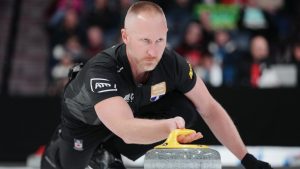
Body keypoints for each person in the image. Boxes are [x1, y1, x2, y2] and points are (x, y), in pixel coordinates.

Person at [41, 1, 273, 169]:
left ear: (166, 34)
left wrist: (246, 159)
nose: (153, 51)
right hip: (85, 125)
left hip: (128, 116)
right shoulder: (102, 70)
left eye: (159, 40)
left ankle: (111, 149)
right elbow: (125, 128)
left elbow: (210, 107)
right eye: (144, 41)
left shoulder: (171, 62)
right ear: (125, 36)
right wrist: (170, 128)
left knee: (186, 108)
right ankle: (62, 149)